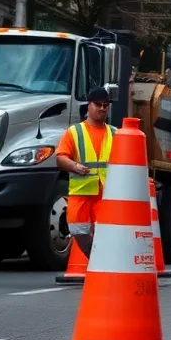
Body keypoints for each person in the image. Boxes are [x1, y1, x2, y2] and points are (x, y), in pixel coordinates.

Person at [55, 87, 116, 257]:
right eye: (98, 104)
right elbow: (60, 157)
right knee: (77, 229)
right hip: (81, 194)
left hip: (105, 194)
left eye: (106, 105)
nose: (103, 108)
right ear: (88, 105)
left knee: (105, 232)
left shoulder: (115, 133)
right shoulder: (75, 132)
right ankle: (97, 258)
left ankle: (100, 262)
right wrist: (74, 166)